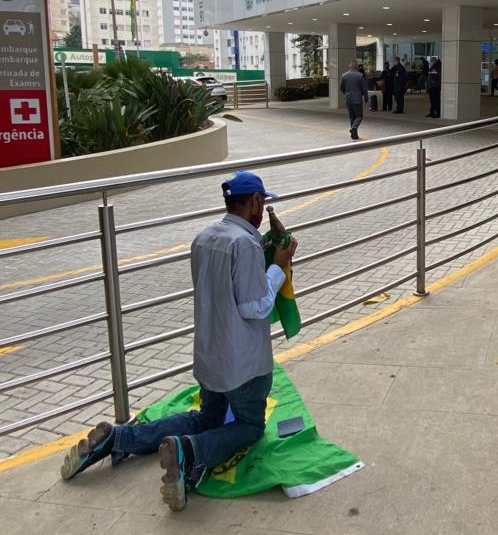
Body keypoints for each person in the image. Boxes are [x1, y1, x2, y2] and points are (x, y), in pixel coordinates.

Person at [60, 171, 296, 510]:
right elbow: (254, 306)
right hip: (244, 365)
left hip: (210, 359)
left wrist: (263, 252)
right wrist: (277, 266)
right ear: (256, 202)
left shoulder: (204, 237)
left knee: (206, 419)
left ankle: (119, 437)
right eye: (263, 203)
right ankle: (189, 451)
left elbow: (223, 288)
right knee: (249, 426)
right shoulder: (243, 244)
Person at [339, 60, 367, 140]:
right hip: (357, 99)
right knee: (359, 116)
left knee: (352, 117)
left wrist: (346, 93)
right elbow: (364, 89)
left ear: (350, 67)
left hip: (348, 99)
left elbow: (341, 87)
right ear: (356, 67)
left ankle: (354, 134)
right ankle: (354, 128)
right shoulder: (360, 76)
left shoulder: (344, 75)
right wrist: (366, 98)